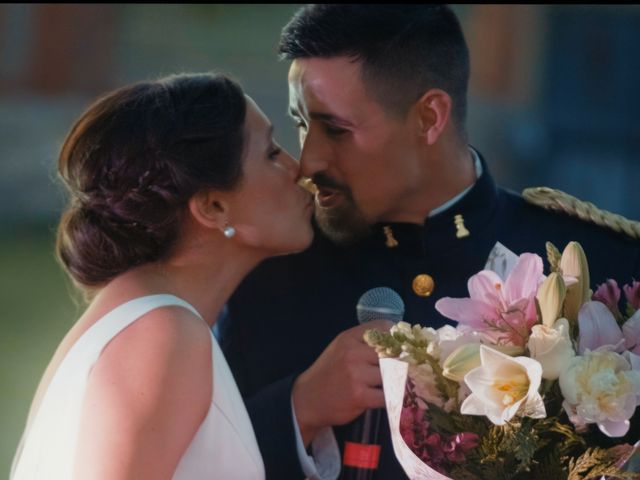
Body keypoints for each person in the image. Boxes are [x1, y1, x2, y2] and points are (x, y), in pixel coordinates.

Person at [218, 5, 640, 479]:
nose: (309, 160)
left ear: (429, 117)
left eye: (335, 129)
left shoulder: (604, 268)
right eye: (301, 123)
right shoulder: (269, 274)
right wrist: (298, 409)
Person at [10, 72, 316, 479]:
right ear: (213, 207)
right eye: (272, 153)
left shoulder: (139, 319)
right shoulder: (161, 333)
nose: (299, 169)